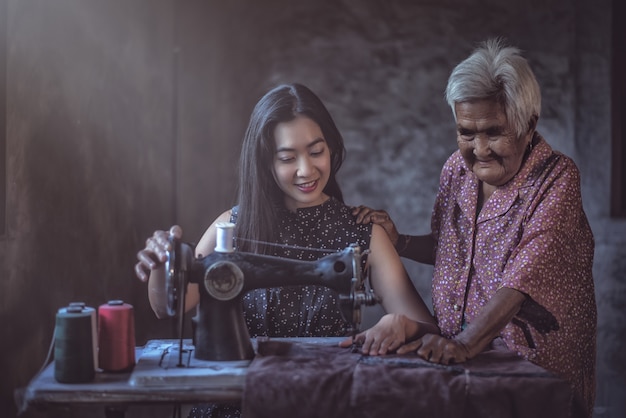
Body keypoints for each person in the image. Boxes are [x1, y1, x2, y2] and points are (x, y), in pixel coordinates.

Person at [135, 83, 438, 418]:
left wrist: (402, 324)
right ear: (266, 162)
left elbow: (429, 330)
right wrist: (164, 261)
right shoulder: (232, 228)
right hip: (233, 403)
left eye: (316, 151)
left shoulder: (363, 232)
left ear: (331, 148)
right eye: (287, 158)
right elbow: (167, 307)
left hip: (321, 403)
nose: (306, 170)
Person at [351, 38, 597, 418]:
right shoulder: (456, 169)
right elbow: (455, 253)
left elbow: (521, 280)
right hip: (462, 362)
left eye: (493, 132)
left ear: (528, 126)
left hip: (530, 372)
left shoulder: (557, 178)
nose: (479, 149)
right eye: (466, 132)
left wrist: (466, 343)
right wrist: (400, 242)